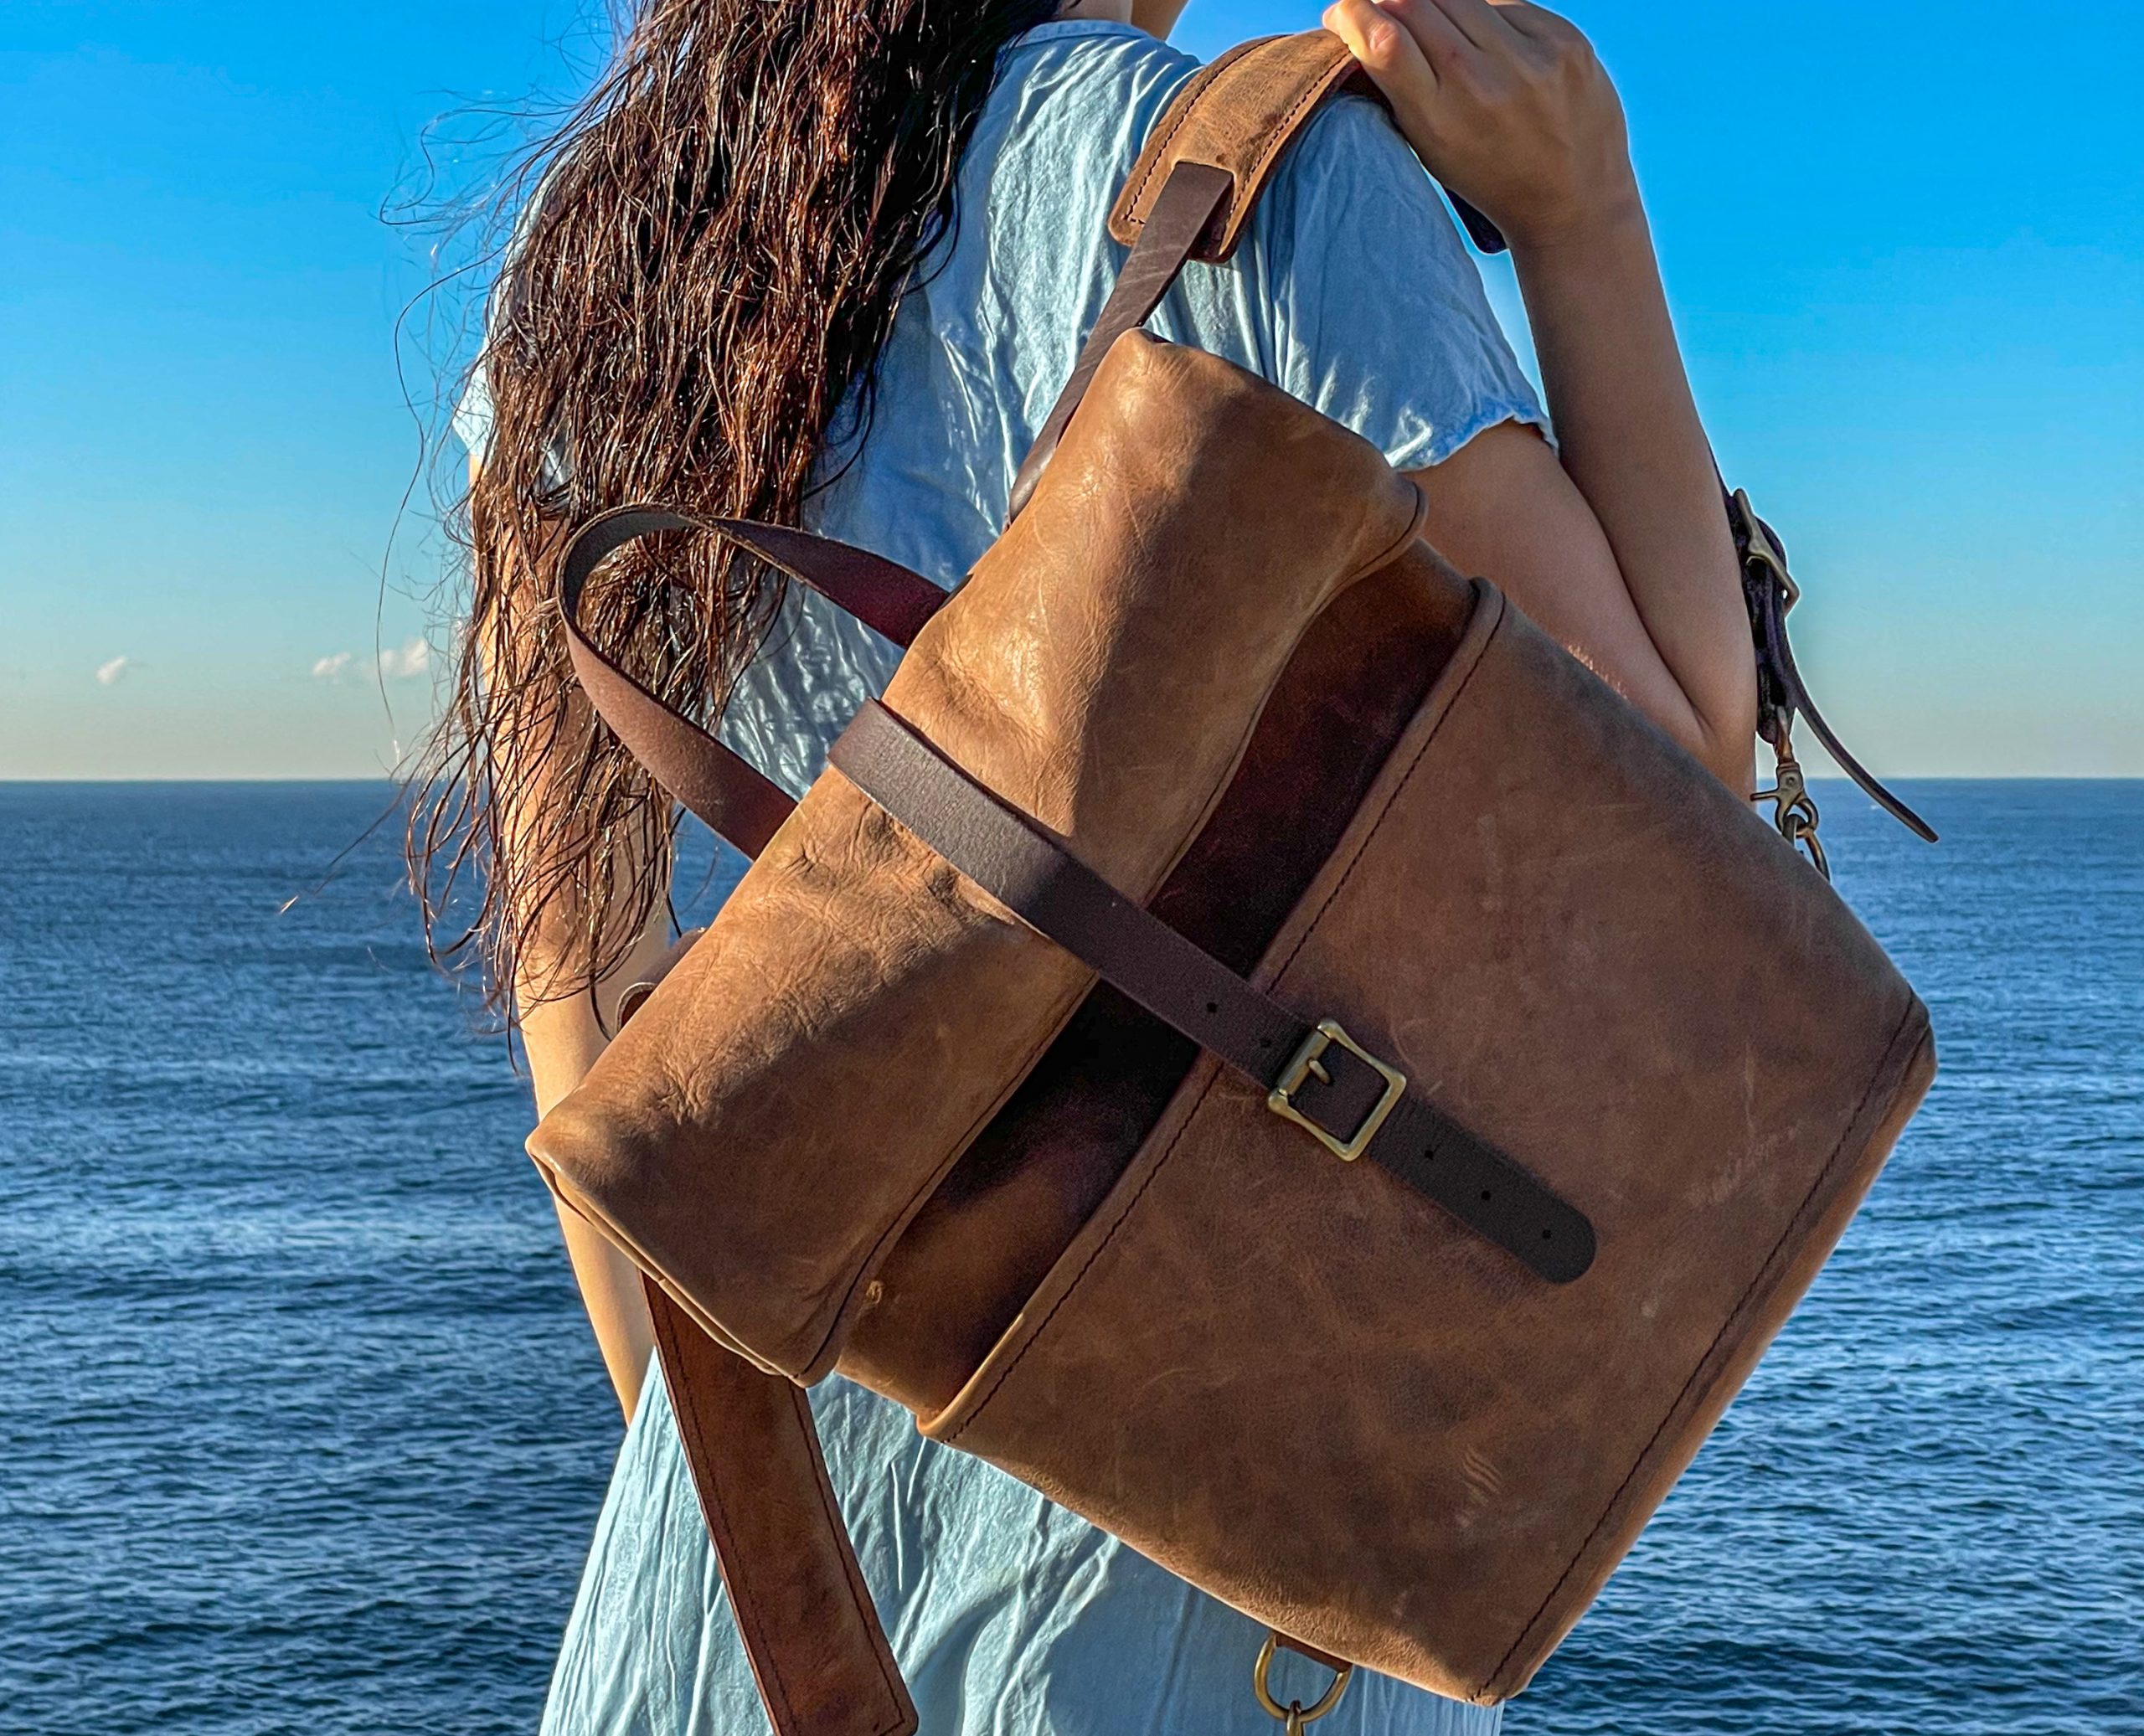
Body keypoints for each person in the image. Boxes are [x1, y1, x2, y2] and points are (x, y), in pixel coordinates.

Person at [430, 0, 1758, 1728]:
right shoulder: (1262, 172)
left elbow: (591, 1010)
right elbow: (1667, 806)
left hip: (730, 1583)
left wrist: (771, 1525)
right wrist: (1583, 215)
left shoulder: (606, 261)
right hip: (1210, 1573)